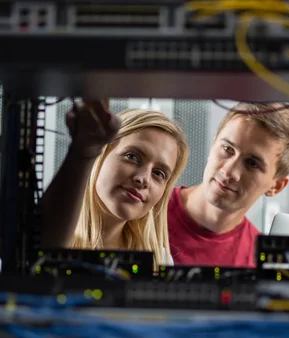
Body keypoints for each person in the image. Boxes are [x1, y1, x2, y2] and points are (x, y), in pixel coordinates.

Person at [41, 100, 189, 267]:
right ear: (100, 152)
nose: (143, 179)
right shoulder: (45, 236)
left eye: (158, 173)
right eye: (132, 157)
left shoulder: (160, 262)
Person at [168, 102, 289, 267]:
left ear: (276, 186)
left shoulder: (257, 263)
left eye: (252, 164)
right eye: (227, 149)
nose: (229, 171)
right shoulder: (144, 211)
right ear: (213, 146)